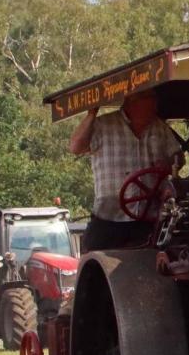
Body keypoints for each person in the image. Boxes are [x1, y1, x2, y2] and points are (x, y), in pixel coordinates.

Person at [69, 89, 180, 252]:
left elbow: (178, 158)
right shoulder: (103, 125)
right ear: (131, 102)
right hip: (109, 218)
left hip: (148, 218)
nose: (155, 105)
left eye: (154, 99)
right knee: (95, 259)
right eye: (150, 98)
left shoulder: (159, 128)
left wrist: (169, 163)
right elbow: (75, 147)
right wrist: (91, 115)